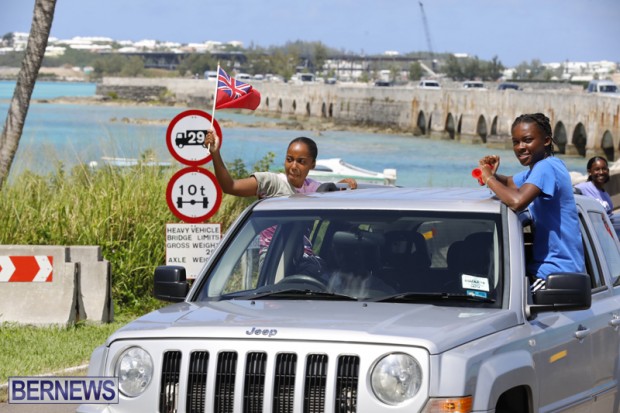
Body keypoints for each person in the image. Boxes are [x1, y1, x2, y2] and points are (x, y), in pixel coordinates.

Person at [204, 130, 357, 274]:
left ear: (313, 164)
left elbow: (332, 195)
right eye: (289, 160)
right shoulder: (272, 183)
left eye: (301, 161)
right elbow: (231, 187)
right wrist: (215, 153)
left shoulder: (315, 189)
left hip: (307, 260)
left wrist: (342, 184)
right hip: (274, 260)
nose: (293, 166)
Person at [476, 113, 585, 292]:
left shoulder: (545, 168)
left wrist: (488, 179)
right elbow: (510, 183)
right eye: (516, 142)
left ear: (547, 140)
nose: (520, 147)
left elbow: (517, 201)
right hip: (551, 270)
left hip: (555, 272)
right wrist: (492, 174)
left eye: (527, 140)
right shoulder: (544, 167)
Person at [575, 156, 620, 238]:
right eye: (597, 169)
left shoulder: (606, 196)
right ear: (589, 172)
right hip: (589, 237)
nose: (601, 172)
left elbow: (610, 219)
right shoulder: (582, 188)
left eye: (604, 169)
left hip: (603, 236)